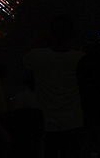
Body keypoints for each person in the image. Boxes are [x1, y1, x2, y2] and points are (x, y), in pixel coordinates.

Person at [23, 14, 84, 158]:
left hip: (47, 124)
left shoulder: (37, 57)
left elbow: (25, 62)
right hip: (73, 122)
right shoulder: (80, 59)